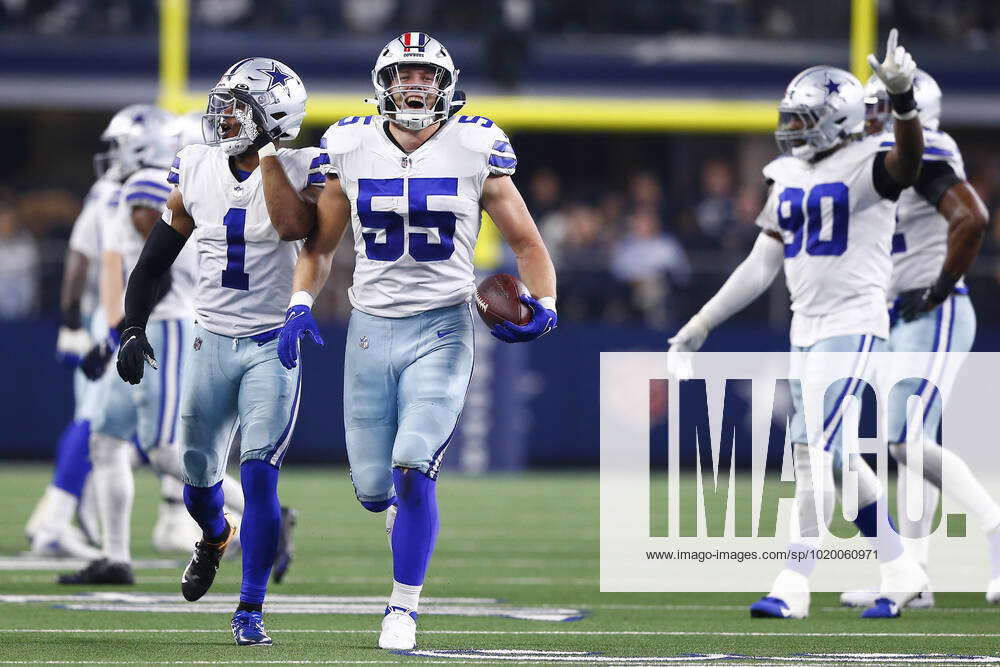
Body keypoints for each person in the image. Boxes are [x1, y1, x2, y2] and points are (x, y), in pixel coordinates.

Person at [277, 32, 557, 650]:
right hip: (370, 330)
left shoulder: (475, 145)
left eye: (426, 76)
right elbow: (319, 247)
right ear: (383, 83)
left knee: (413, 463)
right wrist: (299, 303)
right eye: (403, 74)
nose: (414, 85)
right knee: (375, 489)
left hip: (443, 324)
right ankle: (401, 529)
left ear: (446, 85)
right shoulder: (348, 145)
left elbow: (529, 244)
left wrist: (547, 304)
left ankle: (402, 607)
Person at [668, 30, 929, 619]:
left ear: (836, 120)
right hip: (804, 326)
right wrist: (701, 323)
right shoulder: (787, 174)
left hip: (855, 319)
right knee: (832, 456)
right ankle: (900, 566)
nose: (792, 128)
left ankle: (793, 581)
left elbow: (907, 163)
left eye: (805, 118)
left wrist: (905, 99)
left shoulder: (869, 160)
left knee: (816, 453)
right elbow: (762, 263)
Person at [114, 58, 319, 646]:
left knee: (258, 476)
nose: (224, 116)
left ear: (275, 118)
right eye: (225, 103)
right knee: (197, 476)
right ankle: (212, 536)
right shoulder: (197, 167)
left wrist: (275, 155)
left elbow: (290, 228)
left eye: (241, 106)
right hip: (209, 338)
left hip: (270, 343)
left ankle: (249, 610)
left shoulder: (304, 169)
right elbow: (154, 259)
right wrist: (133, 327)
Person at [840, 69, 998, 608]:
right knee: (910, 446)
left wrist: (938, 288)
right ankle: (916, 578)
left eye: (880, 109)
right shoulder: (869, 159)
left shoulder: (927, 149)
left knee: (904, 440)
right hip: (897, 311)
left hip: (935, 308)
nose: (869, 119)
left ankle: (995, 528)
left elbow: (972, 219)